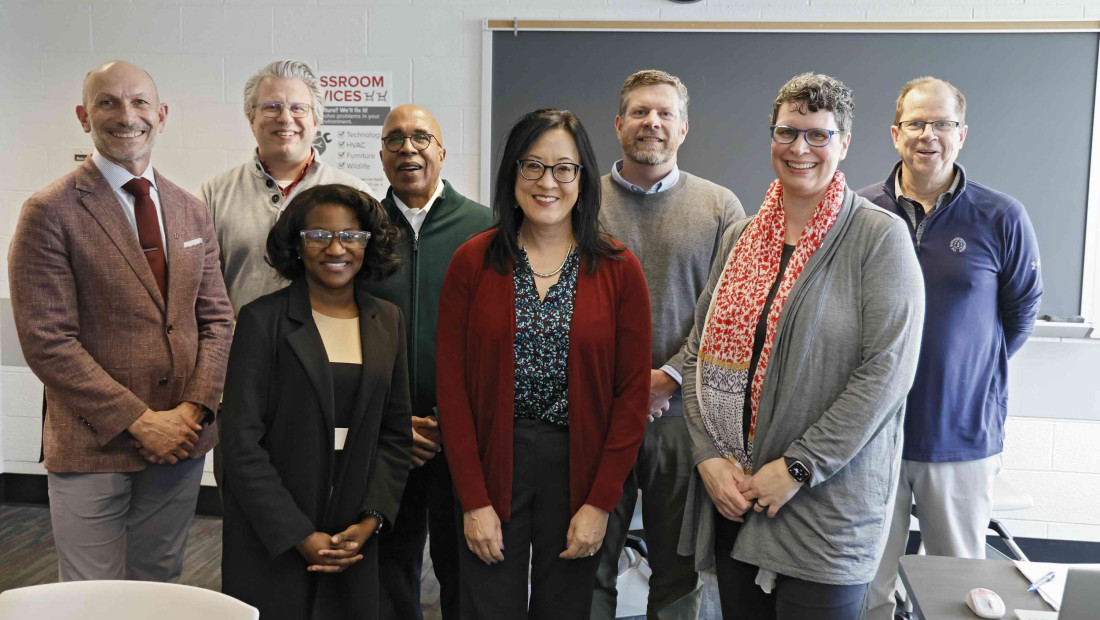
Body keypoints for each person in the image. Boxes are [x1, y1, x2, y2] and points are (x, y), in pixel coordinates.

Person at [677, 73, 925, 620]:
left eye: (818, 135)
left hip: (823, 508)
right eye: (787, 133)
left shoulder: (879, 237)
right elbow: (698, 357)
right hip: (735, 500)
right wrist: (710, 460)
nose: (800, 149)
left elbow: (886, 373)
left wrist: (796, 467)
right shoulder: (741, 237)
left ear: (844, 143)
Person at [7, 60, 234, 582]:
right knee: (93, 595)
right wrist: (140, 421)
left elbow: (217, 319)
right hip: (93, 442)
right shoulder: (50, 210)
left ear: (162, 114)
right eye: (108, 102)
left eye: (138, 102)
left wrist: (193, 411)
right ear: (85, 115)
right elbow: (48, 340)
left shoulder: (189, 209)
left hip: (181, 439)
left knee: (160, 582)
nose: (125, 115)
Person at [436, 109, 652, 619]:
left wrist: (600, 504)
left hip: (579, 466)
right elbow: (453, 389)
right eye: (531, 167)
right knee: (488, 605)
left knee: (567, 606)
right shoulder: (472, 262)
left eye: (563, 168)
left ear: (582, 178)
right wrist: (473, 501)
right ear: (511, 176)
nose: (547, 182)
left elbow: (630, 397)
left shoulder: (619, 269)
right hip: (493, 461)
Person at [859, 77, 1042, 620]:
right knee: (866, 581)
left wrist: (964, 371)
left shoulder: (1002, 216)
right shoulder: (858, 211)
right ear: (896, 134)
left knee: (961, 590)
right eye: (916, 123)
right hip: (870, 437)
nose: (928, 135)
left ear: (961, 134)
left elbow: (1021, 313)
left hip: (960, 435)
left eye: (941, 123)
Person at [219, 184, 412, 620]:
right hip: (275, 529)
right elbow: (240, 443)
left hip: (353, 531)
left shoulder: (388, 322)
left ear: (368, 245)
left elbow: (395, 435)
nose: (336, 248)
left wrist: (371, 520)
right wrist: (298, 533)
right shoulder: (261, 320)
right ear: (298, 245)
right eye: (319, 236)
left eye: (351, 236)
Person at [593, 69, 745, 620]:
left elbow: (732, 315)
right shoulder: (581, 200)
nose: (651, 123)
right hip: (598, 411)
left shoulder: (721, 207)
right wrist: (628, 386)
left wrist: (670, 377)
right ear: (618, 125)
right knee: (588, 560)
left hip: (685, 418)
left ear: (684, 129)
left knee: (678, 571)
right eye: (639, 112)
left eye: (664, 114)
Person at [368, 104, 493, 620]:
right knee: (387, 569)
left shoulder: (486, 228)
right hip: (386, 434)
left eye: (421, 137)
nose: (408, 148)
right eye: (394, 140)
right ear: (381, 156)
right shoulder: (362, 232)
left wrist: (447, 421)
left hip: (461, 435)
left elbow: (498, 341)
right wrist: (396, 423)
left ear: (441, 152)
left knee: (463, 567)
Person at [201, 59, 376, 315]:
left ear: (316, 119)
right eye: (272, 107)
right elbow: (200, 289)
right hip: (242, 349)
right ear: (251, 118)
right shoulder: (213, 195)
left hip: (328, 349)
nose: (285, 118)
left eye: (298, 108)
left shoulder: (354, 193)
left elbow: (371, 280)